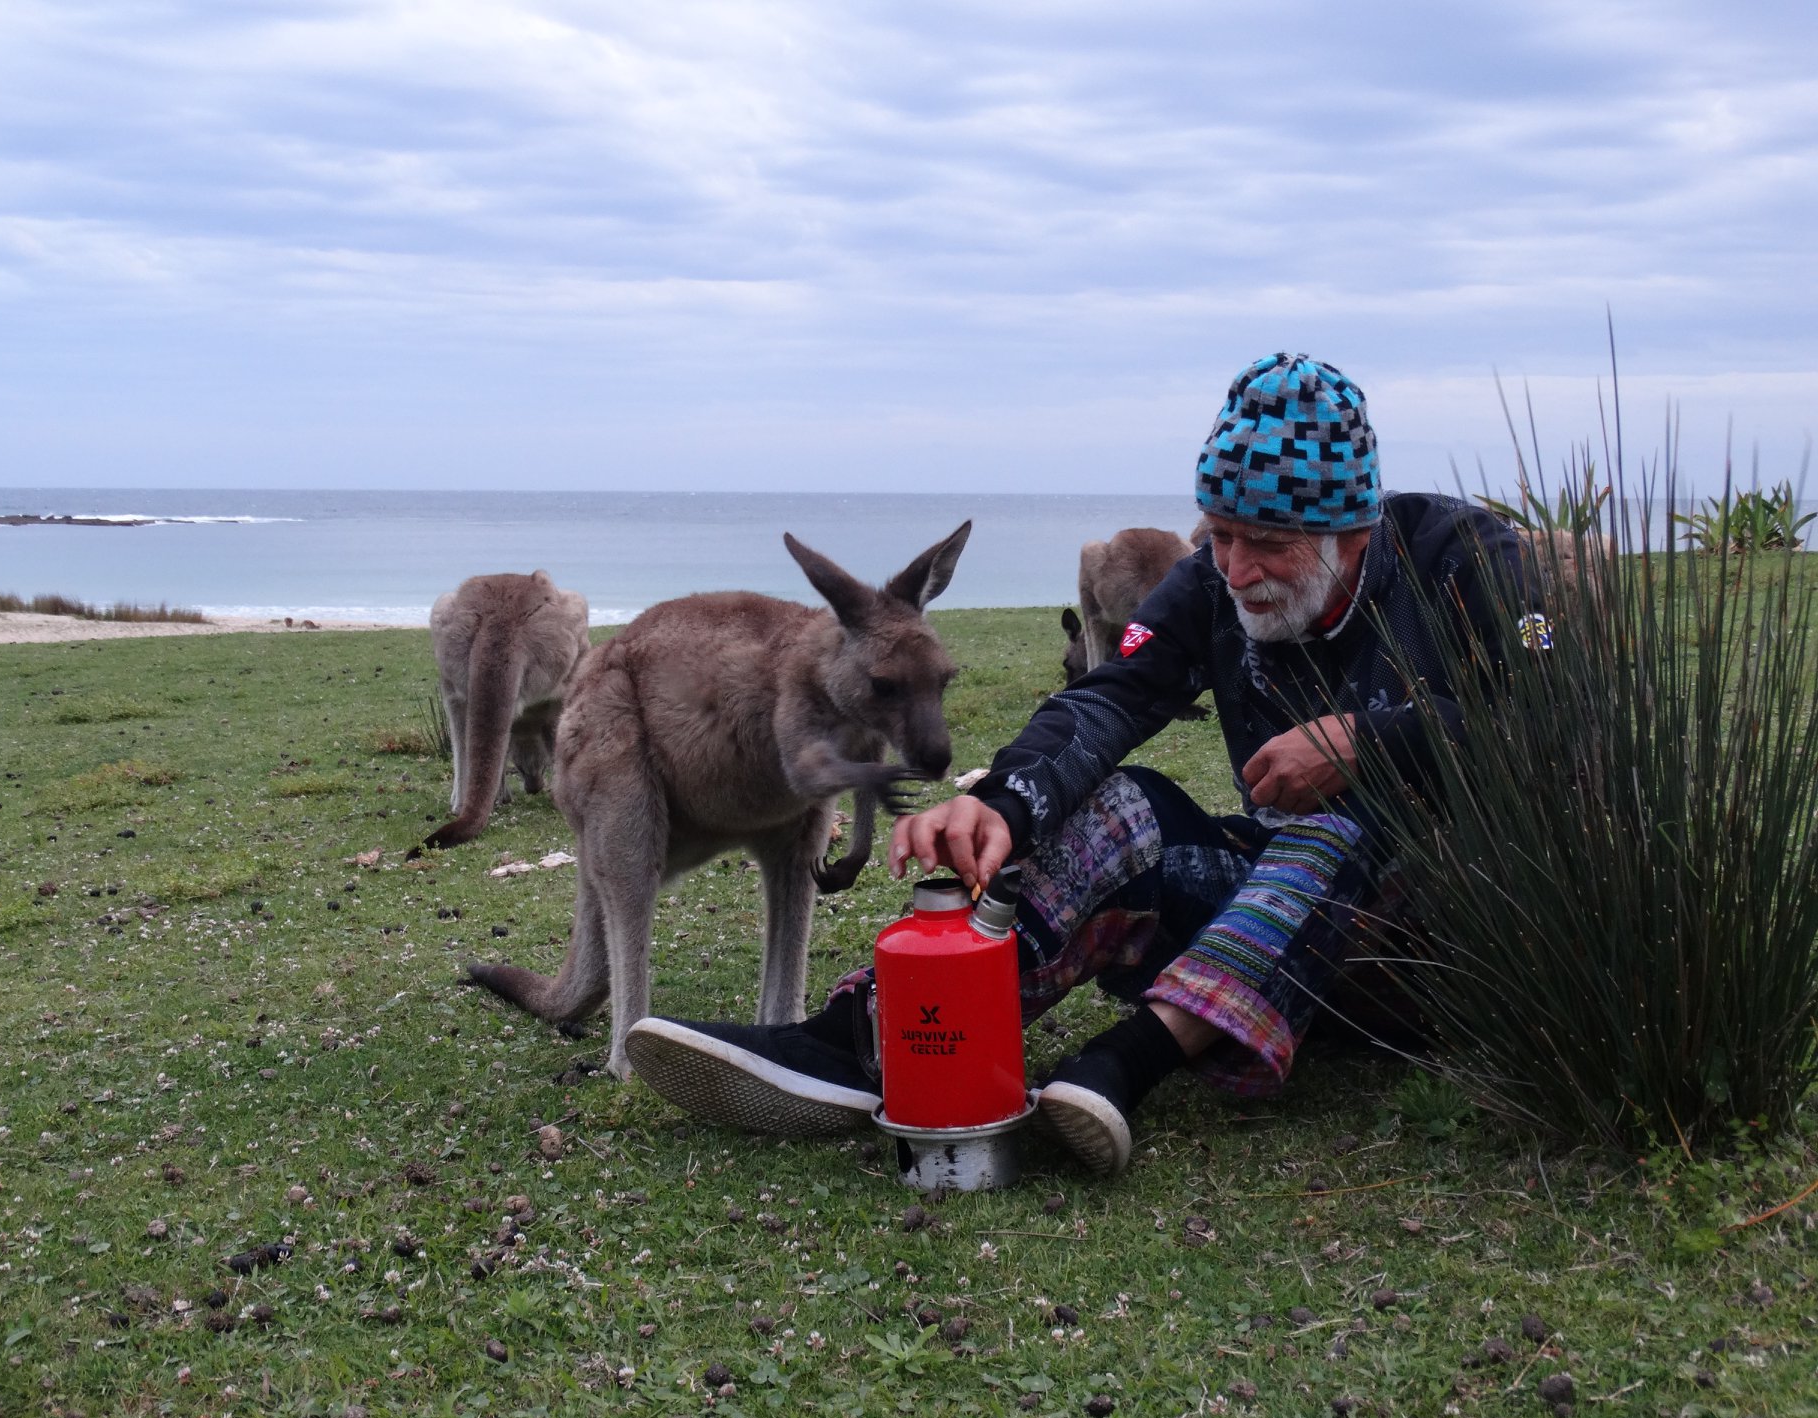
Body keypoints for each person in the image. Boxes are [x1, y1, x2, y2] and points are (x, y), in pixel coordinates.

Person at [624, 353, 1530, 1175]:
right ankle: (867, 1042)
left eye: (1269, 542)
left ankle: (1128, 1062)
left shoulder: (1467, 560)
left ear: (1352, 530)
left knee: (1350, 822)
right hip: (1265, 943)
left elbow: (1550, 706)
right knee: (1124, 803)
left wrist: (1367, 739)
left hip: (1428, 950)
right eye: (1219, 534)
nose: (1236, 568)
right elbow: (1111, 696)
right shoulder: (1208, 582)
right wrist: (1008, 802)